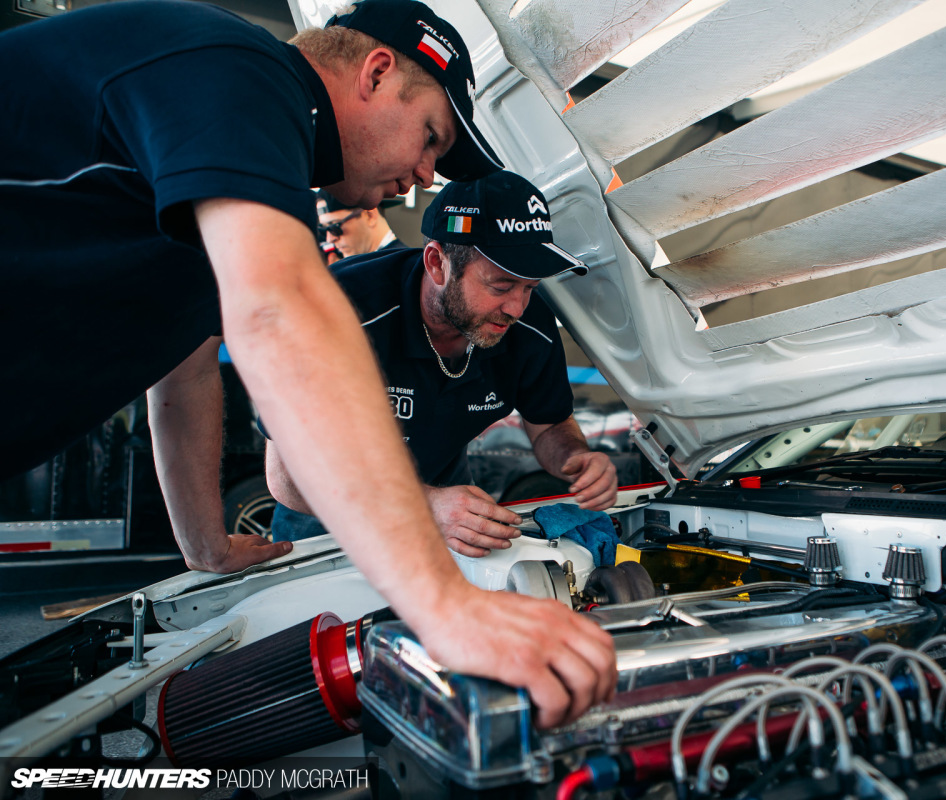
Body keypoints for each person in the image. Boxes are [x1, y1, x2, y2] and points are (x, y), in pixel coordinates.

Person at [0, 0, 614, 728]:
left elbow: (186, 369)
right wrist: (449, 610)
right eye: (429, 138)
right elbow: (277, 313)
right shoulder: (243, 72)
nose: (423, 177)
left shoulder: (222, 186)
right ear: (377, 72)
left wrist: (207, 545)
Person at [267, 172, 619, 552]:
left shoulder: (529, 327)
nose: (516, 308)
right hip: (328, 524)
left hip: (441, 511)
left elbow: (549, 425)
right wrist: (424, 506)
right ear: (437, 263)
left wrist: (577, 458)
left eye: (529, 287)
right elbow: (287, 477)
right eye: (500, 286)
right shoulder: (336, 309)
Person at [316, 188, 401, 260]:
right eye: (324, 229)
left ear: (369, 216)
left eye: (335, 226)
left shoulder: (403, 266)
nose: (330, 239)